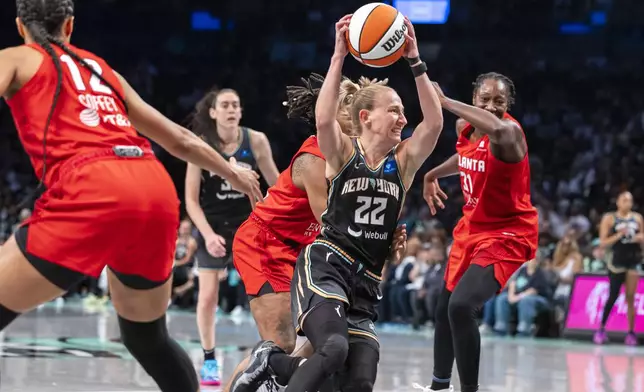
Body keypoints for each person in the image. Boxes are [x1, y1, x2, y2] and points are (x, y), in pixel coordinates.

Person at [0, 1, 262, 391]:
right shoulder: (102, 70)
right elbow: (179, 138)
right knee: (147, 338)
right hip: (151, 186)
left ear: (21, 26)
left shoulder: (16, 57)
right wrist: (231, 172)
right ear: (70, 26)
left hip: (92, 185)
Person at [231, 14, 444, 392]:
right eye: (393, 110)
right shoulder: (326, 156)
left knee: (331, 360)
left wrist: (415, 59)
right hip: (275, 243)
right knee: (290, 344)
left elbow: (433, 124)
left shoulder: (398, 160)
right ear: (360, 117)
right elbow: (334, 219)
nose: (401, 118)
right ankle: (259, 370)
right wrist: (338, 54)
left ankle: (278, 370)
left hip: (330, 257)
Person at [223, 73, 408, 392]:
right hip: (266, 244)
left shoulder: (362, 160)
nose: (352, 115)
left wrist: (387, 233)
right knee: (280, 342)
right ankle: (253, 373)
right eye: (345, 108)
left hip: (307, 249)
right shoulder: (314, 158)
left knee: (322, 342)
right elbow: (333, 224)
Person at [418, 73, 538, 392]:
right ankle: (438, 386)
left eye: (499, 101)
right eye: (484, 99)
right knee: (443, 308)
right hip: (472, 230)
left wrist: (444, 102)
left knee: (461, 307)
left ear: (508, 105)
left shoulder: (509, 132)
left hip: (507, 234)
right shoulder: (465, 128)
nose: (491, 106)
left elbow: (496, 128)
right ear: (475, 99)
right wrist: (433, 173)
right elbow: (466, 158)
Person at [185, 88, 280, 385]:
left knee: (266, 296)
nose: (231, 110)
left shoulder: (257, 141)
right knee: (208, 296)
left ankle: (268, 359)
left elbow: (276, 187)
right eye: (225, 105)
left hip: (247, 225)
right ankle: (210, 359)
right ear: (213, 113)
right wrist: (208, 235)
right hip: (212, 225)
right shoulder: (201, 145)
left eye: (236, 105)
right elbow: (190, 200)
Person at [594, 191, 643, 346]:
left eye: (630, 200)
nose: (627, 202)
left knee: (630, 297)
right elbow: (602, 242)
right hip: (616, 260)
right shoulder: (610, 218)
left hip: (633, 260)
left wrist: (638, 238)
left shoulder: (637, 218)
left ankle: (630, 332)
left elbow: (642, 237)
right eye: (624, 200)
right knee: (613, 294)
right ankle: (601, 329)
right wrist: (619, 234)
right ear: (618, 202)